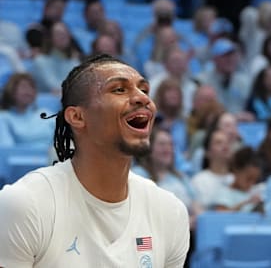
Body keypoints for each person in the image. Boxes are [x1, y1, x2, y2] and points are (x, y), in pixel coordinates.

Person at [0, 54, 189, 266]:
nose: (143, 98)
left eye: (144, 90)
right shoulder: (25, 203)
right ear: (77, 117)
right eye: (119, 89)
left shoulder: (169, 211)